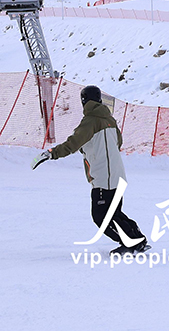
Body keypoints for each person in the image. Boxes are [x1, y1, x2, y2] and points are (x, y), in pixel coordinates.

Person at [31, 86, 148, 255]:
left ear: (84, 101)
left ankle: (131, 242)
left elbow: (73, 143)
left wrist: (51, 153)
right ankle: (137, 239)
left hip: (103, 177)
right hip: (117, 174)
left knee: (101, 216)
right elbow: (118, 143)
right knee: (114, 213)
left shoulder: (90, 121)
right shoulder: (110, 120)